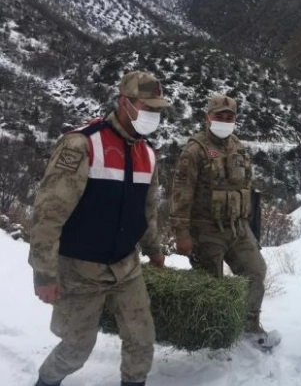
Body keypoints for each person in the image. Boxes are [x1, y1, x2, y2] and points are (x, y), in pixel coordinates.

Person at [29, 71, 169, 386]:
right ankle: (46, 382)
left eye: (158, 109)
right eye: (146, 106)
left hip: (126, 266)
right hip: (80, 268)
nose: (153, 115)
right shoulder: (82, 144)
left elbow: (146, 210)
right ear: (124, 102)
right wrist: (44, 274)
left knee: (142, 339)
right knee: (77, 347)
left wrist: (154, 250)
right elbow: (49, 212)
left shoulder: (147, 154)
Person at [169, 94, 271, 343]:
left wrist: (250, 226)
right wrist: (182, 234)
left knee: (255, 271)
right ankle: (214, 335)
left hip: (238, 228)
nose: (224, 120)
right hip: (206, 231)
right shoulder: (194, 150)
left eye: (230, 117)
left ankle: (249, 324)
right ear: (208, 117)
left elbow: (247, 187)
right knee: (211, 286)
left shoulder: (239, 147)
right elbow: (181, 195)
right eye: (219, 116)